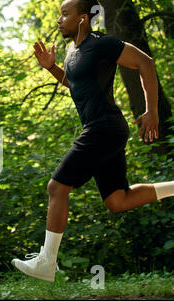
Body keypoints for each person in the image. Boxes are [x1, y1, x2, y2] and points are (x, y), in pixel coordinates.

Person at [11, 0, 174, 282]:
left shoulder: (103, 44)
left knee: (57, 186)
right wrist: (52, 68)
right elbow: (76, 85)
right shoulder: (73, 51)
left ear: (84, 18)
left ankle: (47, 263)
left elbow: (145, 63)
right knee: (117, 200)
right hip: (104, 129)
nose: (59, 20)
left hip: (104, 128)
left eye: (65, 14)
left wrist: (152, 111)